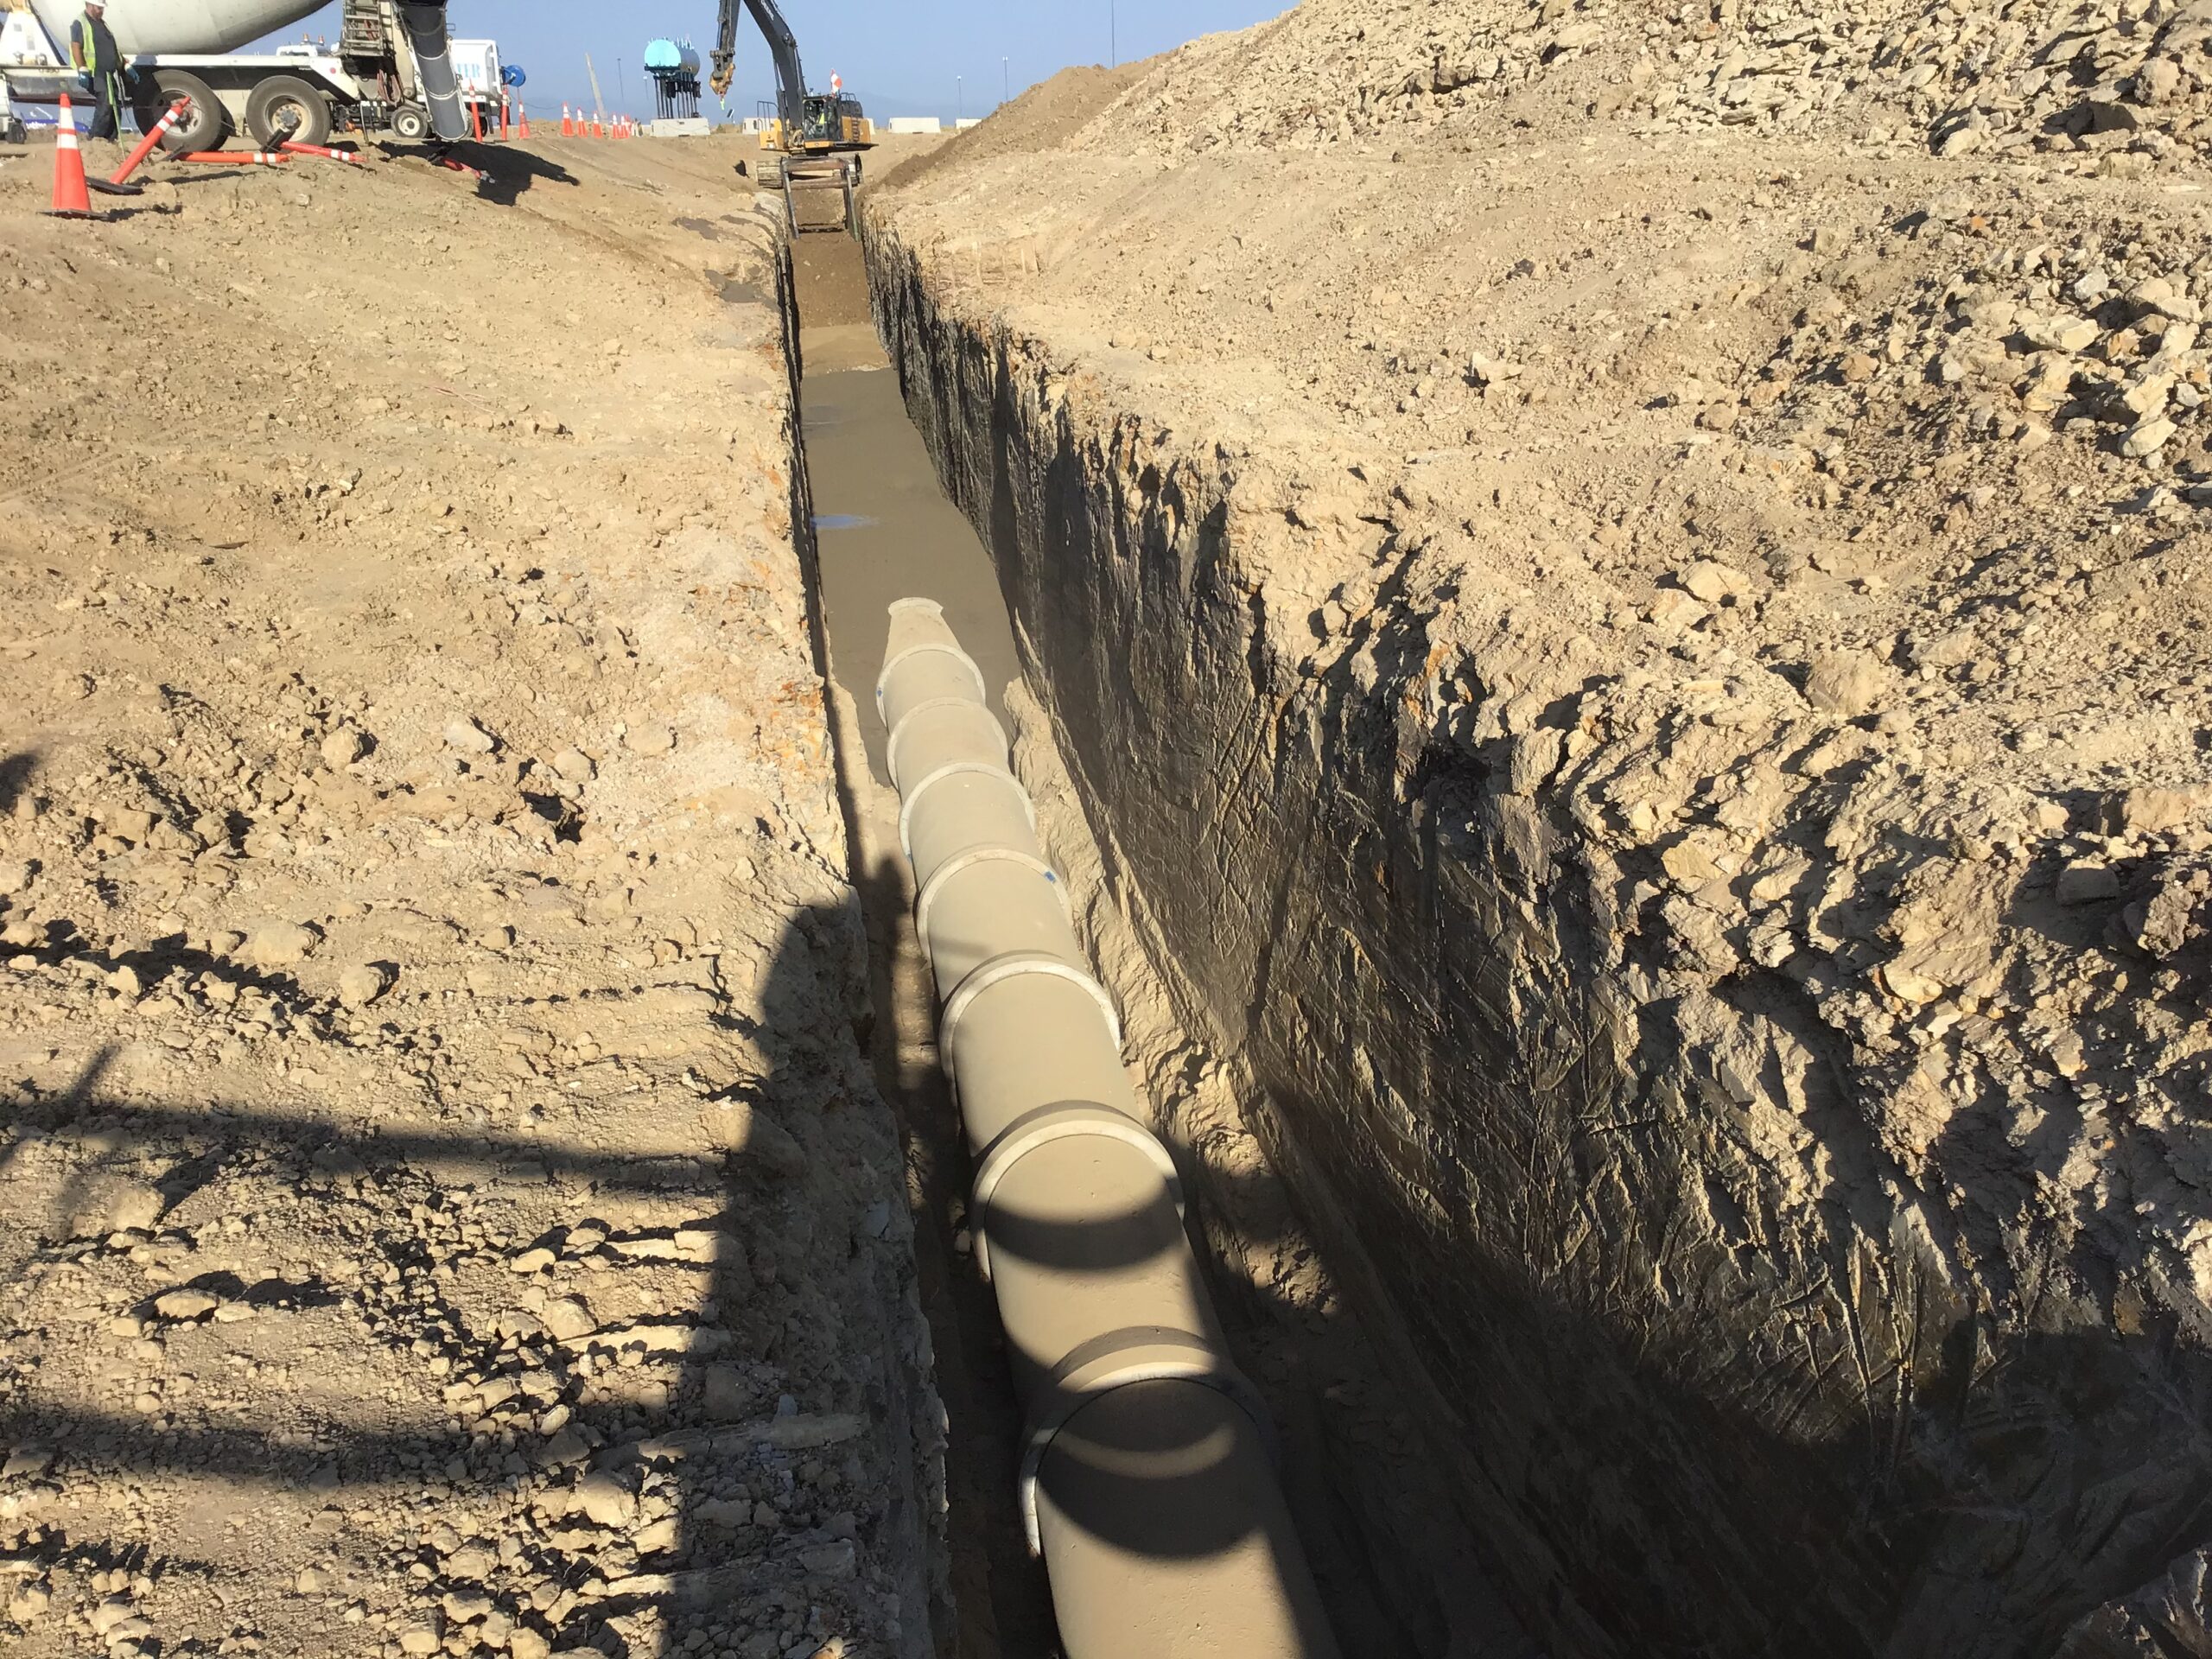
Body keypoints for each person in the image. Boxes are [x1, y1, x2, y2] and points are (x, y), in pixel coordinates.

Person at [69, 0, 126, 143]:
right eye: (99, 8)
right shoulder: (80, 23)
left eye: (102, 8)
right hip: (95, 73)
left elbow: (111, 48)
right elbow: (76, 47)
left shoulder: (102, 24)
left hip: (108, 73)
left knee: (115, 106)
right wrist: (82, 69)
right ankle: (96, 138)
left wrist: (124, 64)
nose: (101, 11)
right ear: (89, 5)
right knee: (106, 103)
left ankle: (110, 139)